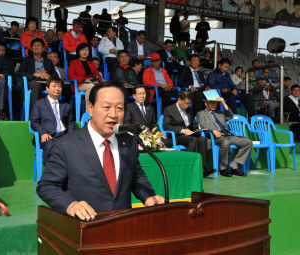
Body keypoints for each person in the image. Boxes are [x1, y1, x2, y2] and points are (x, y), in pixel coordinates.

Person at [36, 83, 164, 219]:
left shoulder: (129, 141)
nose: (113, 114)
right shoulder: (66, 145)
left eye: (119, 108)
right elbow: (47, 186)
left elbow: (136, 176)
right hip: (85, 227)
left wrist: (148, 196)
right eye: (106, 107)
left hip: (123, 225)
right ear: (90, 108)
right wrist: (70, 204)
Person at [163, 91, 214, 177]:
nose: (187, 106)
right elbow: (166, 126)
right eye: (186, 103)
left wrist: (197, 129)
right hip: (177, 136)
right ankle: (191, 168)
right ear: (179, 100)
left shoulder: (189, 110)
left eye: (189, 104)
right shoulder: (169, 109)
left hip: (189, 135)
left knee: (202, 140)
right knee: (193, 140)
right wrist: (182, 130)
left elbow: (193, 124)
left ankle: (203, 167)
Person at [197, 97, 252, 177]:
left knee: (248, 142)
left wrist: (223, 102)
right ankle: (223, 168)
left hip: (227, 135)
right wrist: (213, 130)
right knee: (226, 142)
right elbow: (202, 125)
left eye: (214, 102)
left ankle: (234, 165)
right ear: (206, 103)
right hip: (213, 137)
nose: (213, 104)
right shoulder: (201, 113)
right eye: (210, 102)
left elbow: (230, 115)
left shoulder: (220, 113)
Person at [30, 78, 74, 164]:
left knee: (74, 145)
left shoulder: (66, 106)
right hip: (47, 136)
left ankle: (70, 175)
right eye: (54, 86)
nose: (57, 89)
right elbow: (34, 122)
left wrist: (70, 135)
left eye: (59, 86)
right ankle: (51, 173)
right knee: (50, 145)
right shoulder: (39, 104)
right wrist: (42, 133)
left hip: (62, 136)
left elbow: (70, 122)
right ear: (47, 88)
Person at [19, 38, 58, 110]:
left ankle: (54, 114)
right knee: (36, 85)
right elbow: (20, 73)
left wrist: (49, 76)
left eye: (38, 45)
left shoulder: (48, 61)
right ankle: (35, 114)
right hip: (33, 82)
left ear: (43, 48)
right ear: (31, 48)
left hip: (46, 83)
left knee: (57, 85)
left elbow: (56, 75)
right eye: (34, 45)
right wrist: (34, 74)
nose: (36, 47)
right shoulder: (26, 60)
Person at [0, 42, 22, 121]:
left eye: (3, 51)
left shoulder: (9, 62)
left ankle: (15, 116)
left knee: (17, 89)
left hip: (7, 82)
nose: (1, 52)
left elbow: (12, 76)